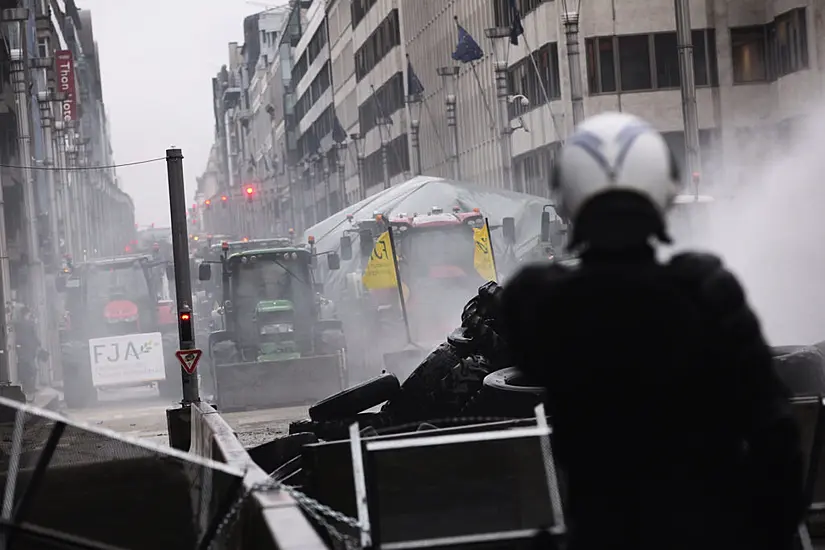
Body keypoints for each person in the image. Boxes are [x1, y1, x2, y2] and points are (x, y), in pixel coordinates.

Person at [499, 112, 803, 550]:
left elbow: (530, 340)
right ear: (664, 193)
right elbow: (776, 433)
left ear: (567, 201)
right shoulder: (707, 292)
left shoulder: (542, 303)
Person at [14, 306, 41, 398]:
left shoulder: (17, 324)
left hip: (21, 350)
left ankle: (26, 388)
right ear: (27, 314)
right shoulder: (30, 324)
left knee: (24, 370)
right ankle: (31, 388)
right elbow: (34, 336)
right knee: (33, 370)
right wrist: (38, 344)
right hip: (29, 350)